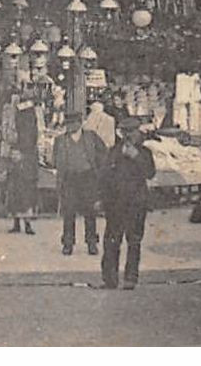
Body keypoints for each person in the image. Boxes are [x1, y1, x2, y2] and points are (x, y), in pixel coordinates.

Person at [99, 122, 157, 290]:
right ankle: (110, 278)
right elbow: (104, 176)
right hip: (115, 204)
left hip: (136, 203)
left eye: (132, 132)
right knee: (111, 242)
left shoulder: (145, 153)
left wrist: (136, 156)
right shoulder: (114, 152)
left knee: (134, 241)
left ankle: (131, 277)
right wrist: (101, 198)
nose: (129, 136)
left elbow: (150, 173)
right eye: (125, 132)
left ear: (138, 133)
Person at [52, 112, 105, 255]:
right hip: (69, 179)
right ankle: (68, 243)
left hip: (87, 178)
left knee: (90, 211)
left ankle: (91, 243)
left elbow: (103, 154)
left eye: (73, 123)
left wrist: (99, 174)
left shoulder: (91, 137)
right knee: (69, 212)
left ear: (80, 123)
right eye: (68, 124)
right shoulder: (60, 140)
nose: (70, 127)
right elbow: (55, 160)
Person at [6, 95, 39, 235]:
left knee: (20, 189)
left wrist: (17, 151)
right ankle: (23, 223)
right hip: (26, 156)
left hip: (22, 156)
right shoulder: (29, 115)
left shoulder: (22, 115)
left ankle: (21, 223)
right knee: (22, 189)